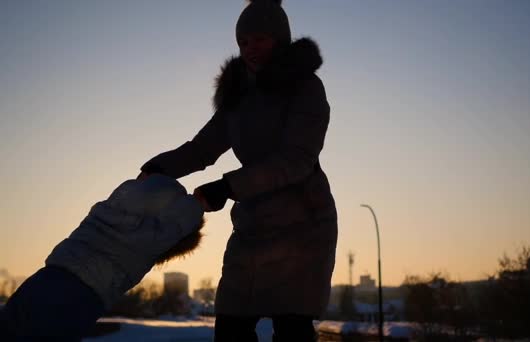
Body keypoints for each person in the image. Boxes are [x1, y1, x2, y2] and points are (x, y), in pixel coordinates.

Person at [138, 0, 337, 340]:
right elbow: (201, 149)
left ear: (280, 38)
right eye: (243, 42)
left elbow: (295, 160)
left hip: (302, 226)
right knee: (230, 327)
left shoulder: (306, 89)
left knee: (292, 329)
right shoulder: (238, 97)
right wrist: (157, 168)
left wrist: (226, 187)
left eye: (260, 39)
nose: (250, 49)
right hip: (253, 226)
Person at [0, 175, 205, 340]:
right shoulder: (150, 237)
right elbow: (186, 216)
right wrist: (203, 199)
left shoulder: (105, 210)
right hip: (79, 297)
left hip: (45, 279)